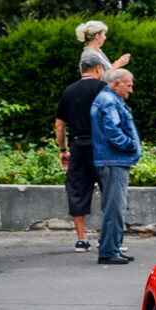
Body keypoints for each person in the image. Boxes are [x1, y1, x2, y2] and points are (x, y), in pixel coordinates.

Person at [55, 52, 106, 253]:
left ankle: (82, 239)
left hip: (77, 147)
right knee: (107, 190)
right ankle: (105, 237)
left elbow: (60, 126)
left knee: (76, 191)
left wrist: (63, 150)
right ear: (98, 69)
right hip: (100, 147)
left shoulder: (69, 91)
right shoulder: (103, 89)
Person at [90, 68, 140, 265]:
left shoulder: (104, 99)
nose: (131, 90)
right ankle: (109, 251)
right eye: (128, 85)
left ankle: (113, 247)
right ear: (116, 83)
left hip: (110, 160)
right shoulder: (110, 101)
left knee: (114, 206)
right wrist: (130, 145)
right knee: (115, 208)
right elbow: (113, 130)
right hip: (115, 160)